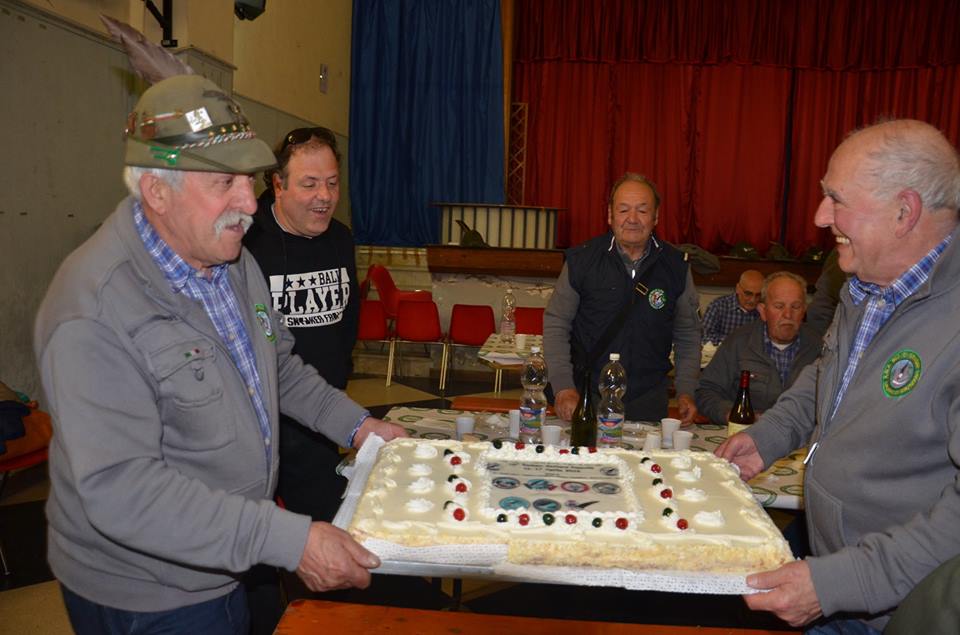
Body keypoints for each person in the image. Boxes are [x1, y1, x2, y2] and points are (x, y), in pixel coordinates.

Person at [33, 75, 405, 634]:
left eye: (248, 180)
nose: (245, 204)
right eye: (223, 182)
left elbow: (278, 366)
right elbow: (124, 490)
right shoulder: (94, 309)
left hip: (225, 559)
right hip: (150, 592)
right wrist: (289, 539)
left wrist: (359, 427)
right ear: (157, 191)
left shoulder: (229, 259)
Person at [716, 119, 960, 632]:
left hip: (901, 613)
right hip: (833, 581)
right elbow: (830, 373)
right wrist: (770, 436)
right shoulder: (864, 285)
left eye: (836, 199)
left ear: (904, 211)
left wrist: (840, 584)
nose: (820, 215)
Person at [243, 127, 357, 524]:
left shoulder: (341, 240)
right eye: (309, 184)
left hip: (323, 422)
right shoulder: (245, 244)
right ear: (278, 184)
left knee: (328, 530)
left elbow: (348, 323)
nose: (324, 196)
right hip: (261, 429)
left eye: (331, 183)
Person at [544, 173, 701, 423]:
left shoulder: (676, 267)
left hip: (648, 399)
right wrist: (563, 386)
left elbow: (688, 336)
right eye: (624, 210)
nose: (632, 219)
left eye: (642, 210)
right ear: (610, 215)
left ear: (656, 217)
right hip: (587, 396)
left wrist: (686, 391)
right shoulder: (582, 261)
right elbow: (556, 325)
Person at [696, 271, 821, 424]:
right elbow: (706, 391)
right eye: (779, 306)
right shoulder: (739, 343)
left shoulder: (820, 347)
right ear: (762, 311)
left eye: (795, 306)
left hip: (802, 438)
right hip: (747, 432)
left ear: (804, 310)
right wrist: (734, 414)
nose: (788, 315)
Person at [700, 269, 764, 345]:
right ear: (738, 289)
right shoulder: (719, 305)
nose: (753, 300)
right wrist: (735, 342)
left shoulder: (764, 310)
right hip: (724, 353)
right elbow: (704, 336)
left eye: (758, 295)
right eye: (748, 293)